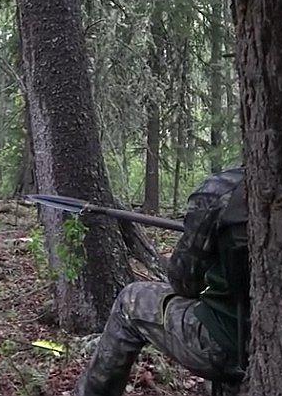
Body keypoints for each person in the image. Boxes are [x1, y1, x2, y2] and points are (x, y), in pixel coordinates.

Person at [75, 167, 249, 396]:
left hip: (229, 344)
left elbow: (184, 283)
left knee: (129, 301)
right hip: (277, 349)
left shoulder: (223, 189)